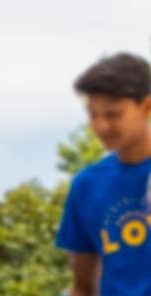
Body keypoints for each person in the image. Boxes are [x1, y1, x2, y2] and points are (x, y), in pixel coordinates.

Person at [56, 52, 151, 296]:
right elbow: (83, 287)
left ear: (146, 107)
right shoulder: (87, 185)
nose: (100, 126)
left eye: (112, 115)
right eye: (92, 115)